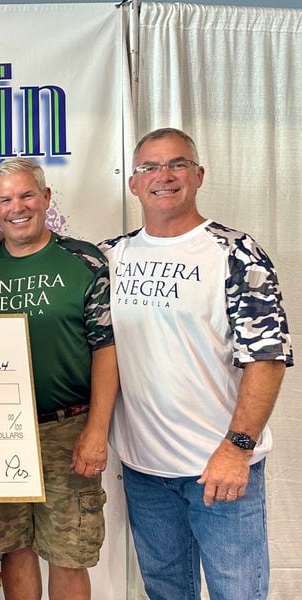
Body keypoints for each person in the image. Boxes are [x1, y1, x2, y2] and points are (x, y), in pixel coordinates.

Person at [101, 128, 292, 599]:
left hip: (219, 469)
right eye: (149, 167)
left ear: (198, 174)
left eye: (177, 164)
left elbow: (266, 358)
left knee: (238, 593)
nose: (163, 176)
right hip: (145, 471)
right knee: (166, 591)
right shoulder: (110, 258)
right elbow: (43, 251)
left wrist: (238, 448)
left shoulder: (234, 252)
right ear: (133, 182)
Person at [0, 158, 118, 600]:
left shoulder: (84, 260)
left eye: (27, 195)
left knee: (68, 552)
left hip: (67, 427)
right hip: (1, 432)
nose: (18, 207)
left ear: (47, 197)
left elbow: (106, 350)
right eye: (6, 199)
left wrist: (97, 430)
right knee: (14, 548)